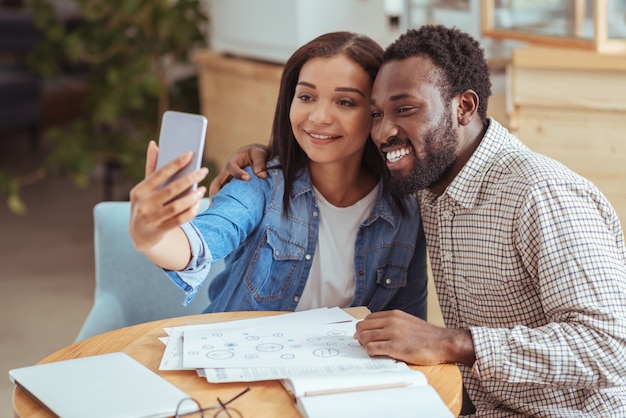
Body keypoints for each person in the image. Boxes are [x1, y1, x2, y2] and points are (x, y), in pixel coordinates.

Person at [212, 25, 626, 417]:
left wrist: (452, 343)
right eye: (375, 114)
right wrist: (268, 154)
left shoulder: (540, 193)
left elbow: (613, 346)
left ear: (464, 106)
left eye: (405, 109)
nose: (384, 131)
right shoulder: (426, 185)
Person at [128, 31, 428, 317]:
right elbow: (199, 243)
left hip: (337, 369)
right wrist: (153, 236)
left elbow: (407, 325)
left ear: (376, 113)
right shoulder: (259, 182)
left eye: (345, 102)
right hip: (239, 362)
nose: (319, 117)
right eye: (307, 97)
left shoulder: (404, 209)